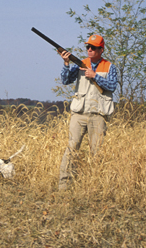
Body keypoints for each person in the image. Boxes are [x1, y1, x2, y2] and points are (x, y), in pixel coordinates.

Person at [57, 34, 117, 191]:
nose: (90, 50)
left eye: (93, 48)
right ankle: (64, 186)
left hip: (98, 114)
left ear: (101, 50)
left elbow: (112, 86)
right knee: (71, 148)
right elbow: (65, 80)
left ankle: (95, 186)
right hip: (79, 113)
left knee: (97, 152)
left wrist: (95, 76)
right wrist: (66, 63)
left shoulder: (110, 66)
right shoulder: (80, 64)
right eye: (88, 47)